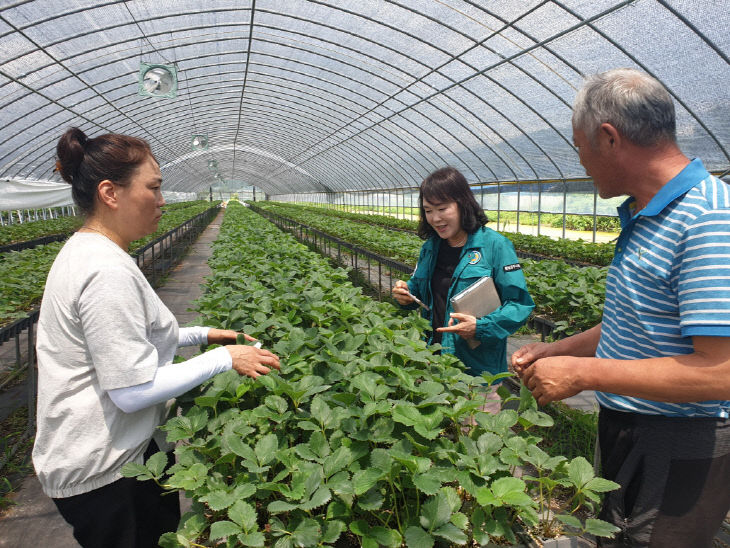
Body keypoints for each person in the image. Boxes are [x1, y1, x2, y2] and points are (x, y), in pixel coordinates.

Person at [512, 68, 730, 547]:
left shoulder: (709, 218)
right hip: (631, 427)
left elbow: (721, 372)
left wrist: (585, 375)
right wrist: (557, 351)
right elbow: (633, 320)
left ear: (608, 138)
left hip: (679, 443)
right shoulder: (646, 212)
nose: (581, 162)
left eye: (579, 147)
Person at [32, 127, 281, 548]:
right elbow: (131, 390)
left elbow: (126, 338)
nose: (163, 201)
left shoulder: (94, 251)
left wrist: (204, 334)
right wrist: (224, 358)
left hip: (115, 456)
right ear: (110, 193)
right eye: (154, 188)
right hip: (105, 472)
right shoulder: (104, 270)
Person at [392, 167, 534, 404]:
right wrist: (406, 294)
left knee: (474, 432)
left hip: (477, 368)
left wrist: (480, 327)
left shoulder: (495, 246)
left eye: (442, 209)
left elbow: (519, 304)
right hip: (433, 360)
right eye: (428, 211)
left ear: (462, 204)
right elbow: (418, 288)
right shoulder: (430, 248)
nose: (435, 218)